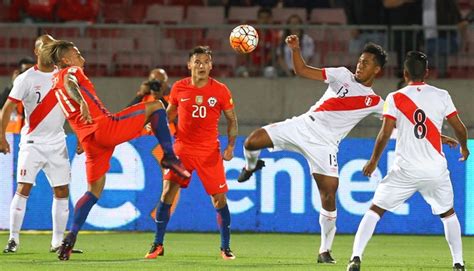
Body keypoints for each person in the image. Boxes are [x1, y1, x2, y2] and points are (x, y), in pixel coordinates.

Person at [238, 36, 388, 264]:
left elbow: (400, 119)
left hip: (325, 145)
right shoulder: (341, 75)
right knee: (251, 142)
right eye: (359, 60)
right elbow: (301, 70)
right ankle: (251, 166)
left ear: (377, 70)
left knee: (329, 195)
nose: (360, 65)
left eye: (366, 63)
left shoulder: (376, 101)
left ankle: (324, 251)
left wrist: (437, 134)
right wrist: (295, 49)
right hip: (303, 125)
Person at [40, 40, 190, 261]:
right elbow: (72, 81)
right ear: (65, 60)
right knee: (157, 106)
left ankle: (69, 239)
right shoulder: (70, 71)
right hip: (104, 128)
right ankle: (169, 157)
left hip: (90, 140)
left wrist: (81, 132)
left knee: (93, 191)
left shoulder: (53, 81)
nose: (82, 56)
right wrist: (81, 100)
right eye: (76, 52)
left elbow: (69, 108)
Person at [346, 51, 469, 271]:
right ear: (427, 73)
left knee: (375, 211)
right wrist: (465, 147)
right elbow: (459, 127)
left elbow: (385, 134)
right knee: (448, 214)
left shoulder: (395, 98)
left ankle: (355, 258)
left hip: (405, 170)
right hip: (435, 170)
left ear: (404, 73)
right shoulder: (441, 95)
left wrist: (374, 160)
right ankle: (458, 263)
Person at [144, 46, 238, 260]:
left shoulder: (221, 90)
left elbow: (232, 119)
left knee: (219, 200)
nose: (201, 65)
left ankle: (225, 247)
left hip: (209, 151)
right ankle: (157, 244)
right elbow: (169, 114)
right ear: (189, 65)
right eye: (197, 61)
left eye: (206, 61)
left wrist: (231, 146)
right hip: (183, 148)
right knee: (167, 192)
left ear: (211, 66)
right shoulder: (179, 88)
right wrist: (156, 124)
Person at [0, 35, 80, 254]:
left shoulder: (63, 76)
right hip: (32, 143)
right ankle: (13, 239)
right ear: (36, 51)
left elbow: (73, 110)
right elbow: (7, 108)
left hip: (57, 143)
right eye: (44, 46)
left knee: (62, 190)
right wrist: (1, 136)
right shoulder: (26, 78)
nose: (49, 49)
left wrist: (81, 136)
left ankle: (56, 242)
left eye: (52, 46)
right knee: (23, 188)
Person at [0, 57, 35, 134]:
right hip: (11, 134)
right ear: (19, 72)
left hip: (29, 134)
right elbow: (1, 104)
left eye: (31, 70)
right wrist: (13, 84)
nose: (28, 74)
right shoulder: (12, 90)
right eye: (25, 70)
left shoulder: (37, 89)